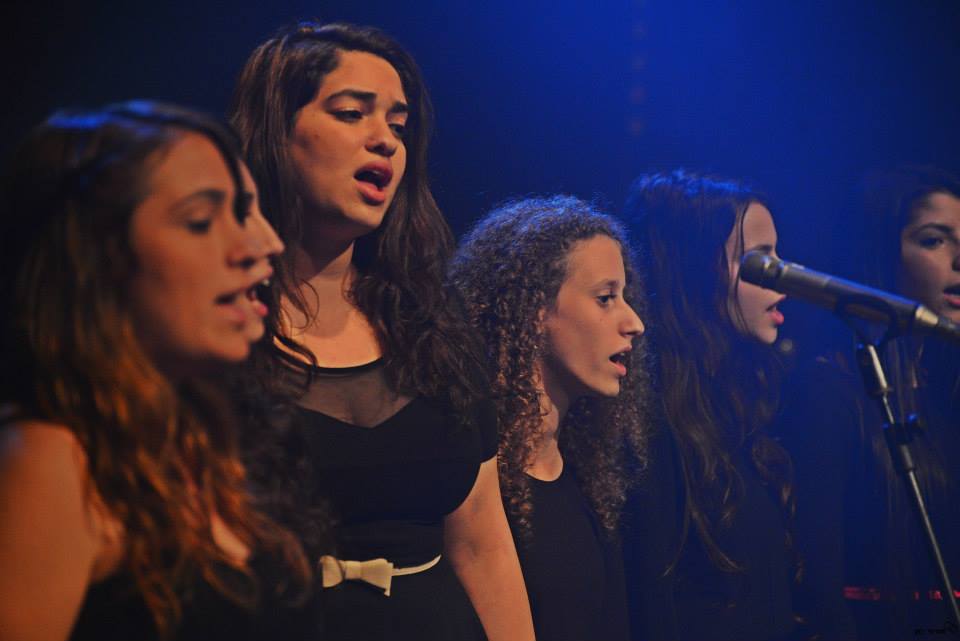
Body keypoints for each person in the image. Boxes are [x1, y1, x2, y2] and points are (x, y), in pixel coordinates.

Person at [228, 21, 534, 641]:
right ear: (274, 132)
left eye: (398, 125)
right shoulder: (216, 323)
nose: (385, 142)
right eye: (351, 114)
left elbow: (482, 545)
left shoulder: (433, 320)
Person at [0, 102, 311, 641]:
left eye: (241, 214)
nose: (259, 246)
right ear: (95, 257)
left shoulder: (198, 433)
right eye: (200, 222)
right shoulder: (50, 458)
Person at [449, 195, 648, 641]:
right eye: (605, 298)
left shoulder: (591, 474)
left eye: (625, 297)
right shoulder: (469, 476)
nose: (634, 322)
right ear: (535, 310)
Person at [780, 166, 960, 640]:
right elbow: (819, 576)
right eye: (934, 240)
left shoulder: (943, 389)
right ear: (883, 254)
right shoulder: (830, 388)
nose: (959, 260)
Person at [621, 169, 796, 641]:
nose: (781, 277)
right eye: (758, 259)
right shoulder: (650, 417)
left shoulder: (739, 403)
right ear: (694, 269)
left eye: (777, 256)